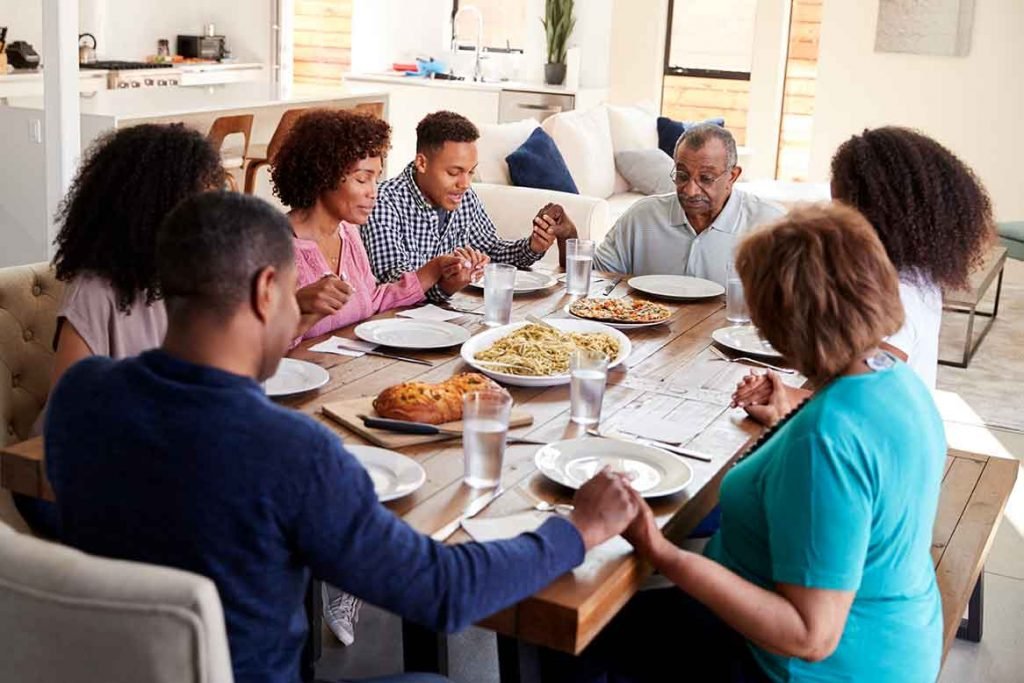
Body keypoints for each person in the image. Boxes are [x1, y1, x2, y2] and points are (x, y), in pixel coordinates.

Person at [44, 191, 640, 683]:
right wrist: (578, 528)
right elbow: (444, 590)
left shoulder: (81, 397)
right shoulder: (291, 450)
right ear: (265, 291)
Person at [547, 204, 946, 682]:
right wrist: (789, 415)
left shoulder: (825, 440)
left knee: (575, 632)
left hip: (802, 667)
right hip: (894, 638)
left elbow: (810, 636)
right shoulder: (895, 381)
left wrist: (659, 548)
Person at [15, 123, 225, 538]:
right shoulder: (96, 290)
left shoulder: (190, 277)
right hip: (69, 473)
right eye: (198, 196)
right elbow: (73, 409)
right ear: (153, 206)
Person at [733, 127, 995, 423]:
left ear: (873, 213)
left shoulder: (894, 290)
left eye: (839, 206)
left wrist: (785, 396)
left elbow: (869, 406)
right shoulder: (914, 273)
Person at [270, 108, 480, 342]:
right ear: (323, 175)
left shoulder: (347, 234)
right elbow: (253, 352)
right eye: (362, 179)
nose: (373, 192)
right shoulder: (273, 249)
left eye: (376, 179)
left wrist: (435, 269)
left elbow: (372, 301)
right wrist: (300, 309)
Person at [362, 111, 577, 301]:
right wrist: (447, 280)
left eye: (470, 172)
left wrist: (534, 245)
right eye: (454, 173)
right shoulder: (383, 203)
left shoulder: (464, 197)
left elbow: (493, 250)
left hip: (451, 318)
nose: (465, 184)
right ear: (422, 163)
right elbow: (396, 284)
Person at [592, 123, 783, 286]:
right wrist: (570, 237)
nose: (691, 191)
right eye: (682, 176)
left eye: (706, 178)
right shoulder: (642, 217)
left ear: (732, 176)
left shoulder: (770, 226)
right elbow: (598, 276)